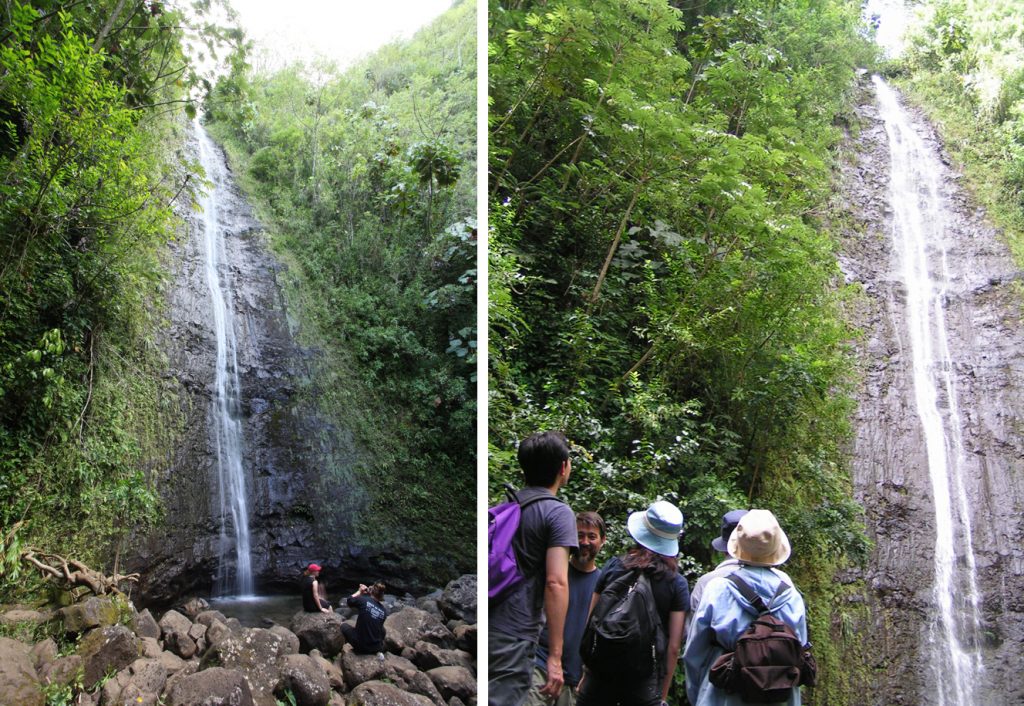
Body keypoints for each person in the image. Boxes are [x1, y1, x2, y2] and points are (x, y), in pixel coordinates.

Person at [683, 509, 808, 706]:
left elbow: (695, 652)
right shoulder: (790, 593)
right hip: (778, 695)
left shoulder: (717, 588)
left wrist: (697, 694)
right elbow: (798, 650)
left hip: (724, 692)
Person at [489, 431, 578, 706]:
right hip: (516, 632)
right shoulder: (558, 513)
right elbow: (556, 582)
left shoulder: (506, 506)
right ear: (563, 468)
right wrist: (554, 656)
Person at [576, 501, 688, 706]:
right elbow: (673, 647)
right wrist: (661, 694)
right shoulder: (676, 583)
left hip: (600, 673)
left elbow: (591, 621)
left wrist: (586, 671)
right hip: (643, 681)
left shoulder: (614, 566)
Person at [527, 511, 607, 706]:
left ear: (603, 541)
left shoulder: (605, 584)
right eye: (580, 535)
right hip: (541, 666)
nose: (585, 542)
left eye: (592, 536)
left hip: (576, 679)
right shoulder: (555, 572)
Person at [342, 581, 388, 655]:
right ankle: (377, 650)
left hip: (360, 645)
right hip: (375, 648)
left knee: (343, 625)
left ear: (372, 591)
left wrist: (359, 591)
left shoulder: (363, 600)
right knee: (382, 629)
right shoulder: (384, 611)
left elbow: (349, 600)